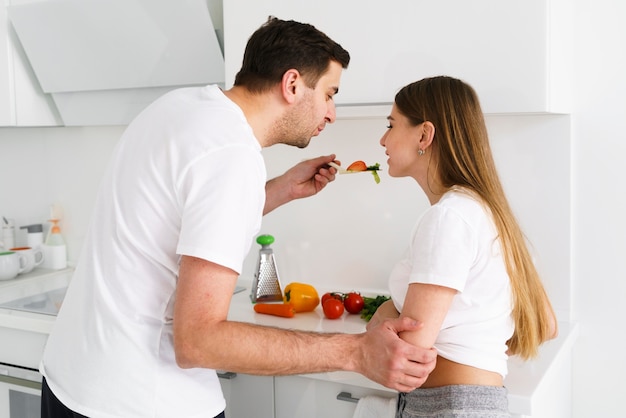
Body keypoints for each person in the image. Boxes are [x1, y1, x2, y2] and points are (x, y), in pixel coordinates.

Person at [39, 17, 437, 418]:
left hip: (71, 380)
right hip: (140, 399)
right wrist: (355, 352)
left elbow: (179, 215)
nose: (331, 113)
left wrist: (278, 190)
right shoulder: (232, 157)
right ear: (293, 84)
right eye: (330, 94)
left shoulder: (179, 108)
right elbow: (199, 341)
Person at [368, 75, 558, 417]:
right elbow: (545, 324)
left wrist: (383, 314)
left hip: (450, 407)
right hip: (476, 403)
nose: (383, 139)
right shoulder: (487, 211)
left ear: (425, 134)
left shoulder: (449, 217)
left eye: (391, 125)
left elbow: (408, 355)